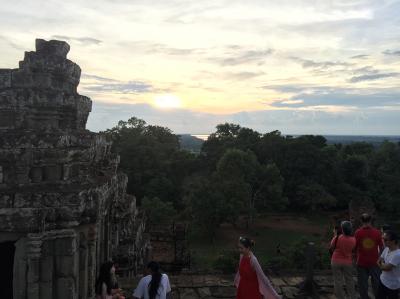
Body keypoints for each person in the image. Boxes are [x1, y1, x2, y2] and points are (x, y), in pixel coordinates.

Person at [354, 213, 384, 299]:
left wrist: (354, 257)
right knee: (376, 282)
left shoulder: (357, 232)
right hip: (374, 261)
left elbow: (354, 247)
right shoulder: (377, 232)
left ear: (361, 221)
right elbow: (382, 247)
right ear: (370, 221)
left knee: (362, 284)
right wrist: (381, 258)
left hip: (361, 261)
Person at [330, 221, 356, 299]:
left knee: (338, 281)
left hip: (336, 261)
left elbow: (331, 247)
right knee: (349, 280)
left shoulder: (337, 238)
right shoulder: (353, 240)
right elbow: (353, 249)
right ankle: (352, 296)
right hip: (347, 262)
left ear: (342, 229)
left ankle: (340, 297)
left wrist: (335, 235)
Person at [377, 231, 400, 299]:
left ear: (393, 241)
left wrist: (382, 265)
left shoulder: (397, 255)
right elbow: (378, 261)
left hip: (392, 285)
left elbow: (386, 268)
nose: (383, 241)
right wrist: (382, 265)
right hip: (383, 280)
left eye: (385, 240)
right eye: (383, 239)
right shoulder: (386, 249)